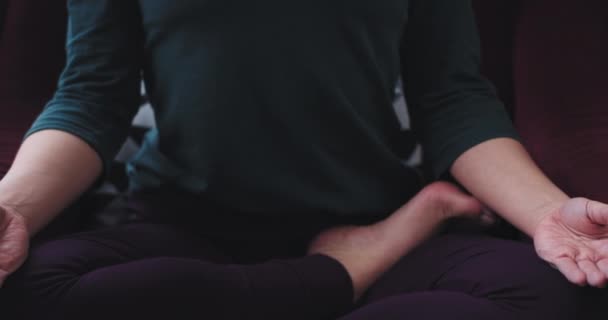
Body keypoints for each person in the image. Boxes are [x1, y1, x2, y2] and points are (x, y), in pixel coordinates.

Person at [0, 0, 607, 319]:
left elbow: (453, 99)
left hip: (364, 211)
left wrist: (550, 213)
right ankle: (344, 274)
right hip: (179, 226)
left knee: (541, 295)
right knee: (27, 292)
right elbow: (90, 98)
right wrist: (8, 208)